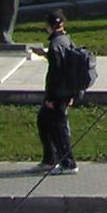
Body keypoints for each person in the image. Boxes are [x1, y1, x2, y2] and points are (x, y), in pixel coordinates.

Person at [28, 9, 79, 174]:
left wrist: (50, 97)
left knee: (58, 128)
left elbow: (56, 73)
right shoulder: (65, 40)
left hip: (58, 94)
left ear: (49, 25)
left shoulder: (55, 44)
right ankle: (49, 159)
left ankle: (68, 164)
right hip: (66, 92)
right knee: (44, 121)